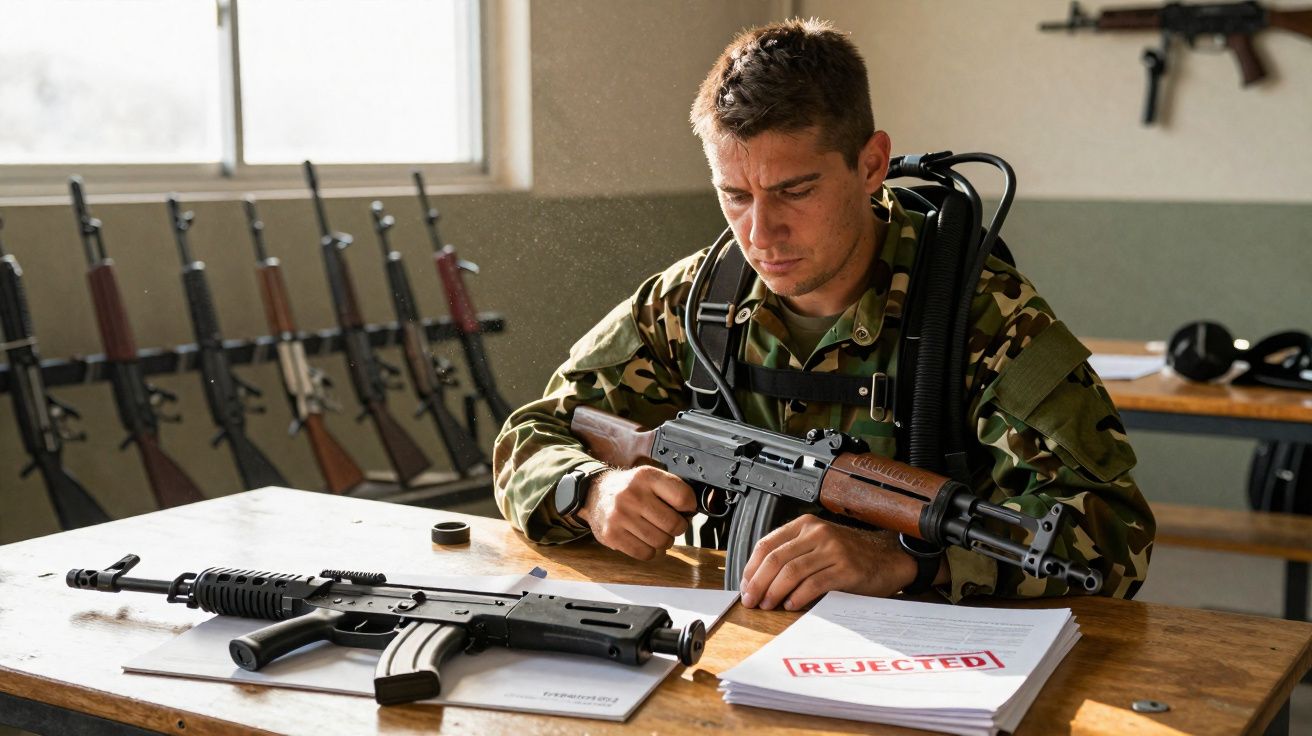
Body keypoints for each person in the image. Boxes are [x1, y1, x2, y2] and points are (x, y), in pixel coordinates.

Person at [493, 18, 1154, 609]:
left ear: (870, 165)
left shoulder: (982, 316)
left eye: (795, 190)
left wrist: (906, 560)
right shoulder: (693, 303)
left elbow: (1113, 534)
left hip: (933, 670)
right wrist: (590, 493)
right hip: (729, 645)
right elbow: (530, 435)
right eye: (735, 196)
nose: (760, 233)